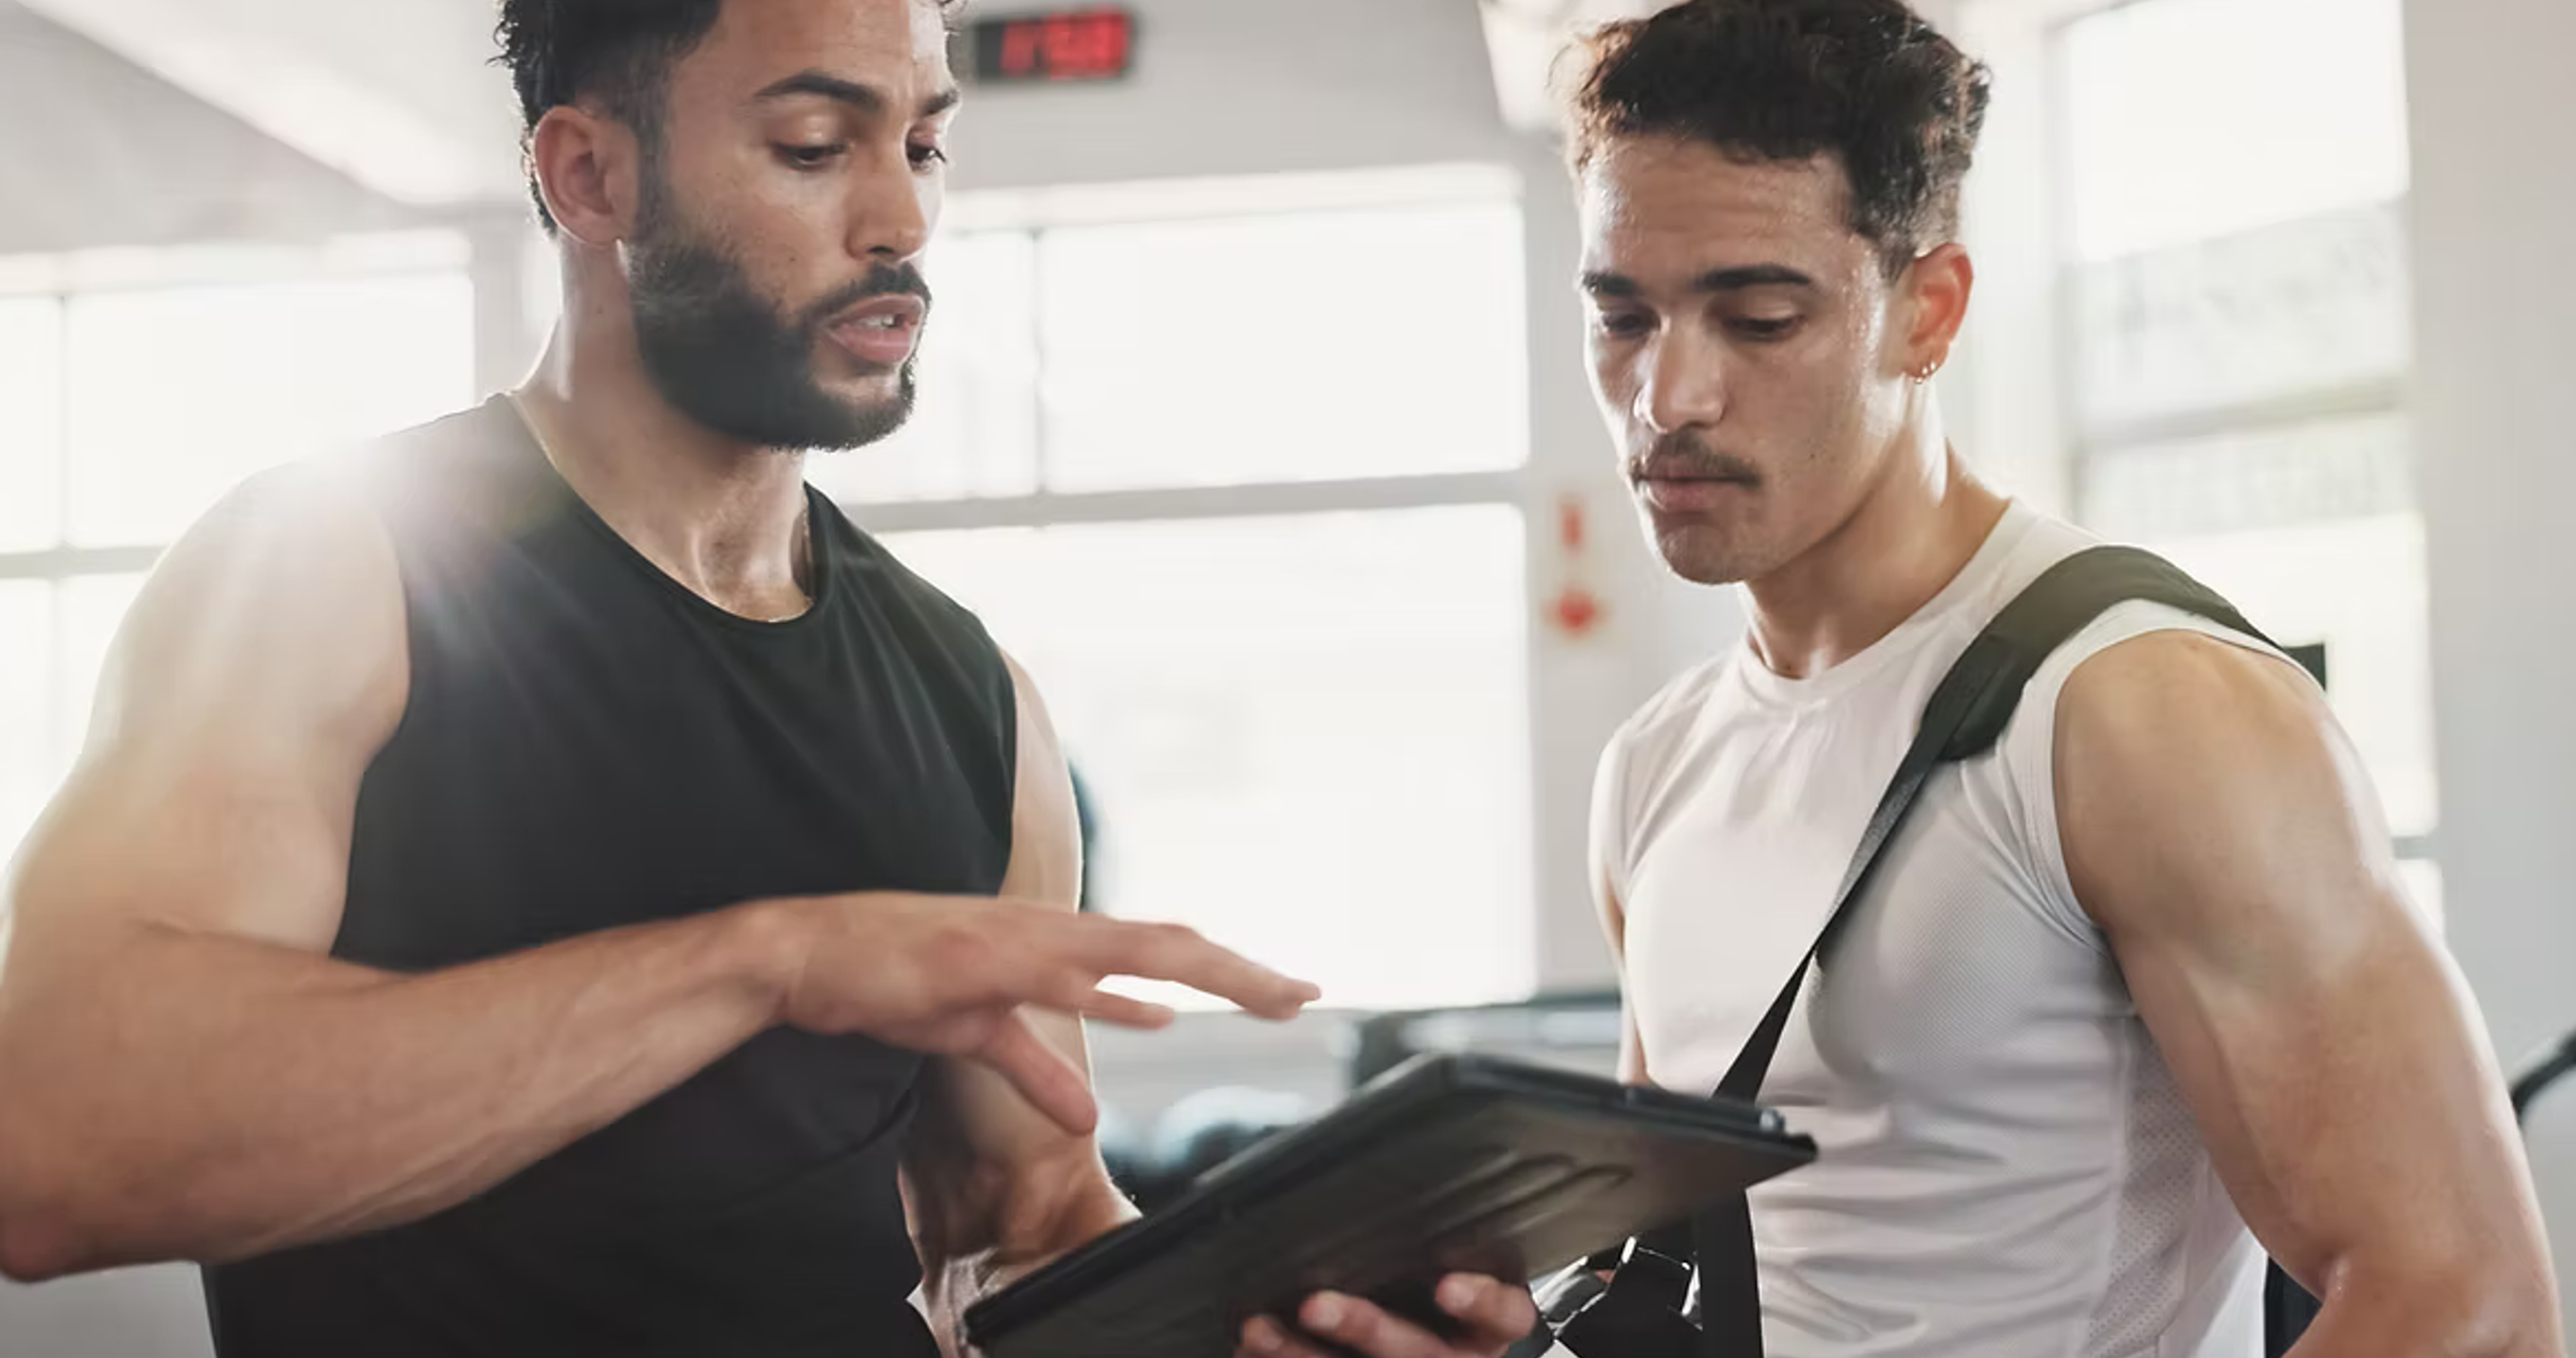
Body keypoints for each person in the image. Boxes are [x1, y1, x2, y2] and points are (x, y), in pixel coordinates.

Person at [0, 3, 1540, 1357]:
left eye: (924, 146)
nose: (902, 218)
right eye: (814, 146)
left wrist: (1273, 1319)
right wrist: (770, 962)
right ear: (588, 177)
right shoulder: (336, 565)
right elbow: (57, 1148)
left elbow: (1019, 1222)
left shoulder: (971, 692)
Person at [1563, 2, 2562, 1355]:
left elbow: (2467, 1303)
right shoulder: (1656, 766)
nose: (1667, 396)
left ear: (1928, 311)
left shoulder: (2142, 709)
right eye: (1623, 318)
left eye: (1758, 318)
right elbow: (1685, 1276)